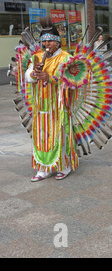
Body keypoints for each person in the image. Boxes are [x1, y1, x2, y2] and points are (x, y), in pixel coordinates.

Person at [24, 17, 78, 181]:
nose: (46, 45)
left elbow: (74, 81)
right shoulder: (37, 57)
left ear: (57, 42)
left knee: (60, 135)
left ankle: (64, 166)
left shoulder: (66, 58)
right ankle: (44, 168)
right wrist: (34, 73)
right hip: (42, 105)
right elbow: (27, 77)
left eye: (50, 42)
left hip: (59, 105)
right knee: (42, 136)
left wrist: (51, 78)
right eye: (44, 42)